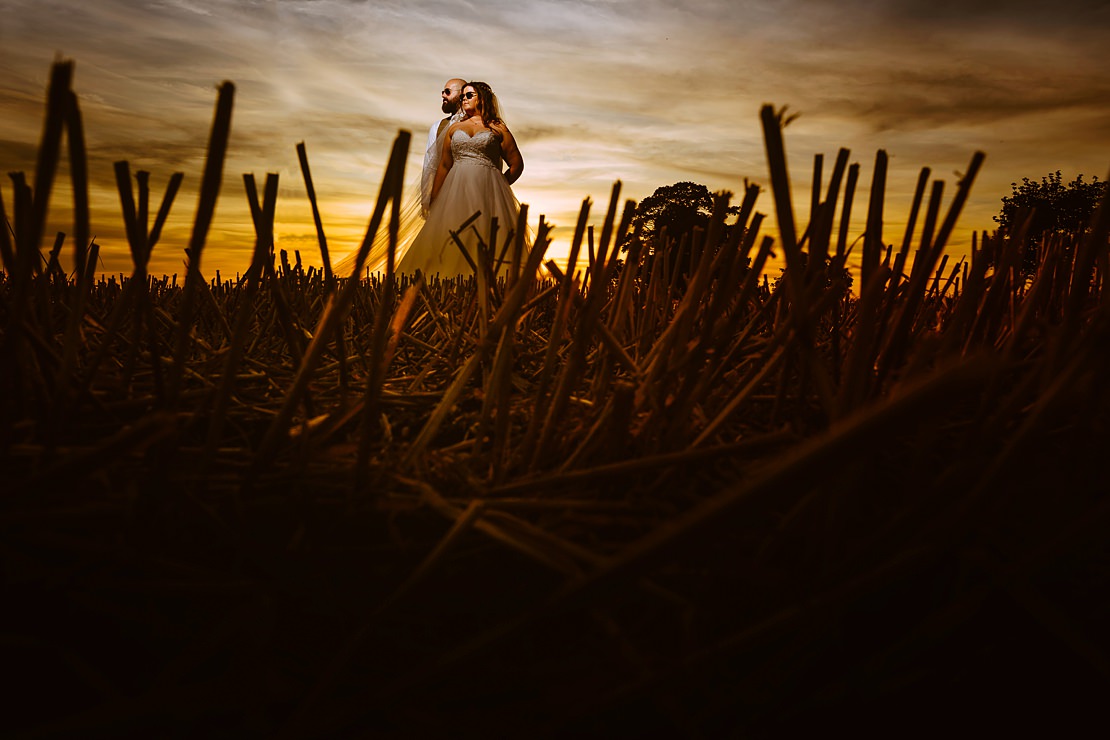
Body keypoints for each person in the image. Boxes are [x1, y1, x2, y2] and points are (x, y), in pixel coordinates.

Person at [397, 81, 526, 278]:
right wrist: (434, 199)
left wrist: (499, 185)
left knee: (488, 240)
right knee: (450, 236)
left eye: (468, 95)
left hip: (487, 194)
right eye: (463, 95)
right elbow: (445, 166)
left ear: (481, 99)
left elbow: (517, 164)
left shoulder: (498, 128)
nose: (463, 99)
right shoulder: (453, 128)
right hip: (455, 193)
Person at [421, 78, 466, 217]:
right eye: (443, 92)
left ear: (461, 95)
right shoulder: (436, 127)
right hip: (444, 197)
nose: (443, 95)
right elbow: (430, 165)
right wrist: (426, 198)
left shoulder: (481, 125)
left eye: (447, 92)